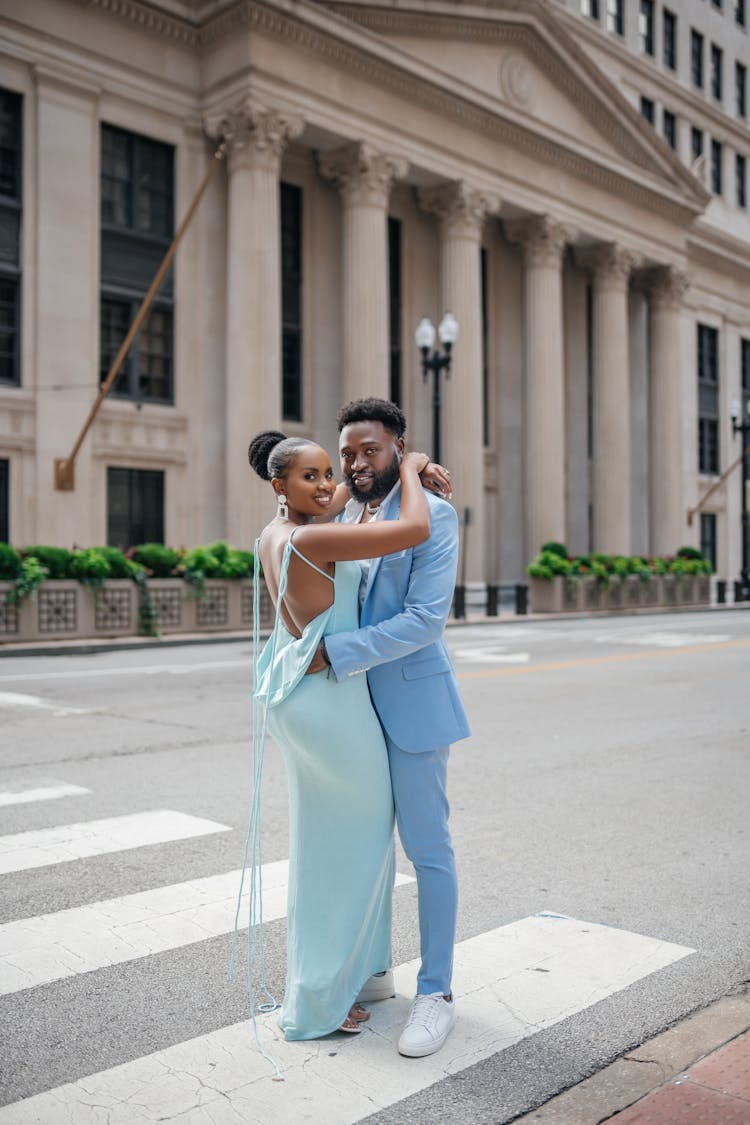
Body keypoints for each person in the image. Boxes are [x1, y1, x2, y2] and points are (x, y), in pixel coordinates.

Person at [246, 429, 435, 1042]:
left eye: (330, 472)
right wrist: (410, 467)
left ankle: (347, 977)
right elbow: (413, 530)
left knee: (326, 846)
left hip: (298, 695)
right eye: (311, 476)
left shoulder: (272, 535)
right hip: (329, 702)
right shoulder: (314, 536)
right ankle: (320, 1001)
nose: (328, 484)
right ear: (280, 486)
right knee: (350, 850)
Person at [307, 397, 471, 1058]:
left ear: (398, 446)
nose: (354, 461)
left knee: (426, 849)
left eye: (370, 449)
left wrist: (339, 654)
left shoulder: (433, 513)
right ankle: (375, 969)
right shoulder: (348, 510)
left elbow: (426, 620)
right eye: (347, 450)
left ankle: (437, 994)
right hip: (350, 713)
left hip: (411, 706)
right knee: (362, 843)